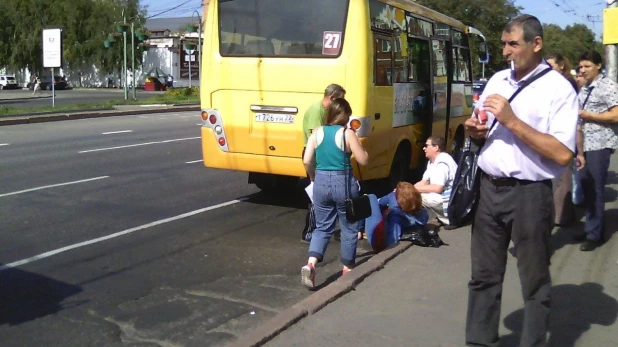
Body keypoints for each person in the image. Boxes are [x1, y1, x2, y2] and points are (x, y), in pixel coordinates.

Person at [464, 15, 578, 347]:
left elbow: (562, 154)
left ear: (536, 44)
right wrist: (477, 131)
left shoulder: (559, 88)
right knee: (483, 277)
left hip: (530, 195)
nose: (506, 51)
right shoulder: (497, 79)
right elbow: (484, 127)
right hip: (488, 189)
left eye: (513, 44)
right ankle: (479, 341)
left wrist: (512, 121)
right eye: (503, 44)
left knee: (534, 282)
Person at [300, 98, 369, 289]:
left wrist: (314, 177)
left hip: (321, 181)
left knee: (322, 227)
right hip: (343, 182)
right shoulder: (347, 133)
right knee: (348, 227)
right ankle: (347, 268)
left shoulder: (316, 132)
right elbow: (363, 160)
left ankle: (311, 264)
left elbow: (306, 160)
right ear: (346, 115)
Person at [576, 50, 618, 251]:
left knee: (595, 189)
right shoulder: (584, 87)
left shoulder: (608, 86)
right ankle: (590, 227)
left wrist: (589, 115)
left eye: (587, 66)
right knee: (585, 186)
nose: (582, 70)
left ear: (598, 66)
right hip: (583, 144)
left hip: (600, 144)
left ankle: (595, 234)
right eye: (581, 67)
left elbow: (616, 116)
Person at [301, 84, 346, 243]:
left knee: (322, 195)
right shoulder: (316, 111)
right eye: (341, 99)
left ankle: (322, 230)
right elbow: (317, 137)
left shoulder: (325, 111)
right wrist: (313, 175)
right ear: (332, 98)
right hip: (314, 154)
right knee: (316, 197)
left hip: (318, 154)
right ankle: (309, 233)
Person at [546, 52, 586, 225]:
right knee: (560, 180)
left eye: (551, 65)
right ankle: (562, 214)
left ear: (561, 65)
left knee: (563, 179)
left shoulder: (566, 84)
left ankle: (563, 217)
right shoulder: (554, 82)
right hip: (555, 137)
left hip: (563, 137)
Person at [414, 136, 458, 229]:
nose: (424, 148)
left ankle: (449, 219)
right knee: (410, 193)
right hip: (444, 197)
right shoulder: (432, 161)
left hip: (451, 202)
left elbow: (438, 188)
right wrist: (406, 189)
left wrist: (413, 190)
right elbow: (424, 182)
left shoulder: (442, 162)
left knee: (417, 196)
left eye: (426, 145)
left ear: (436, 147)